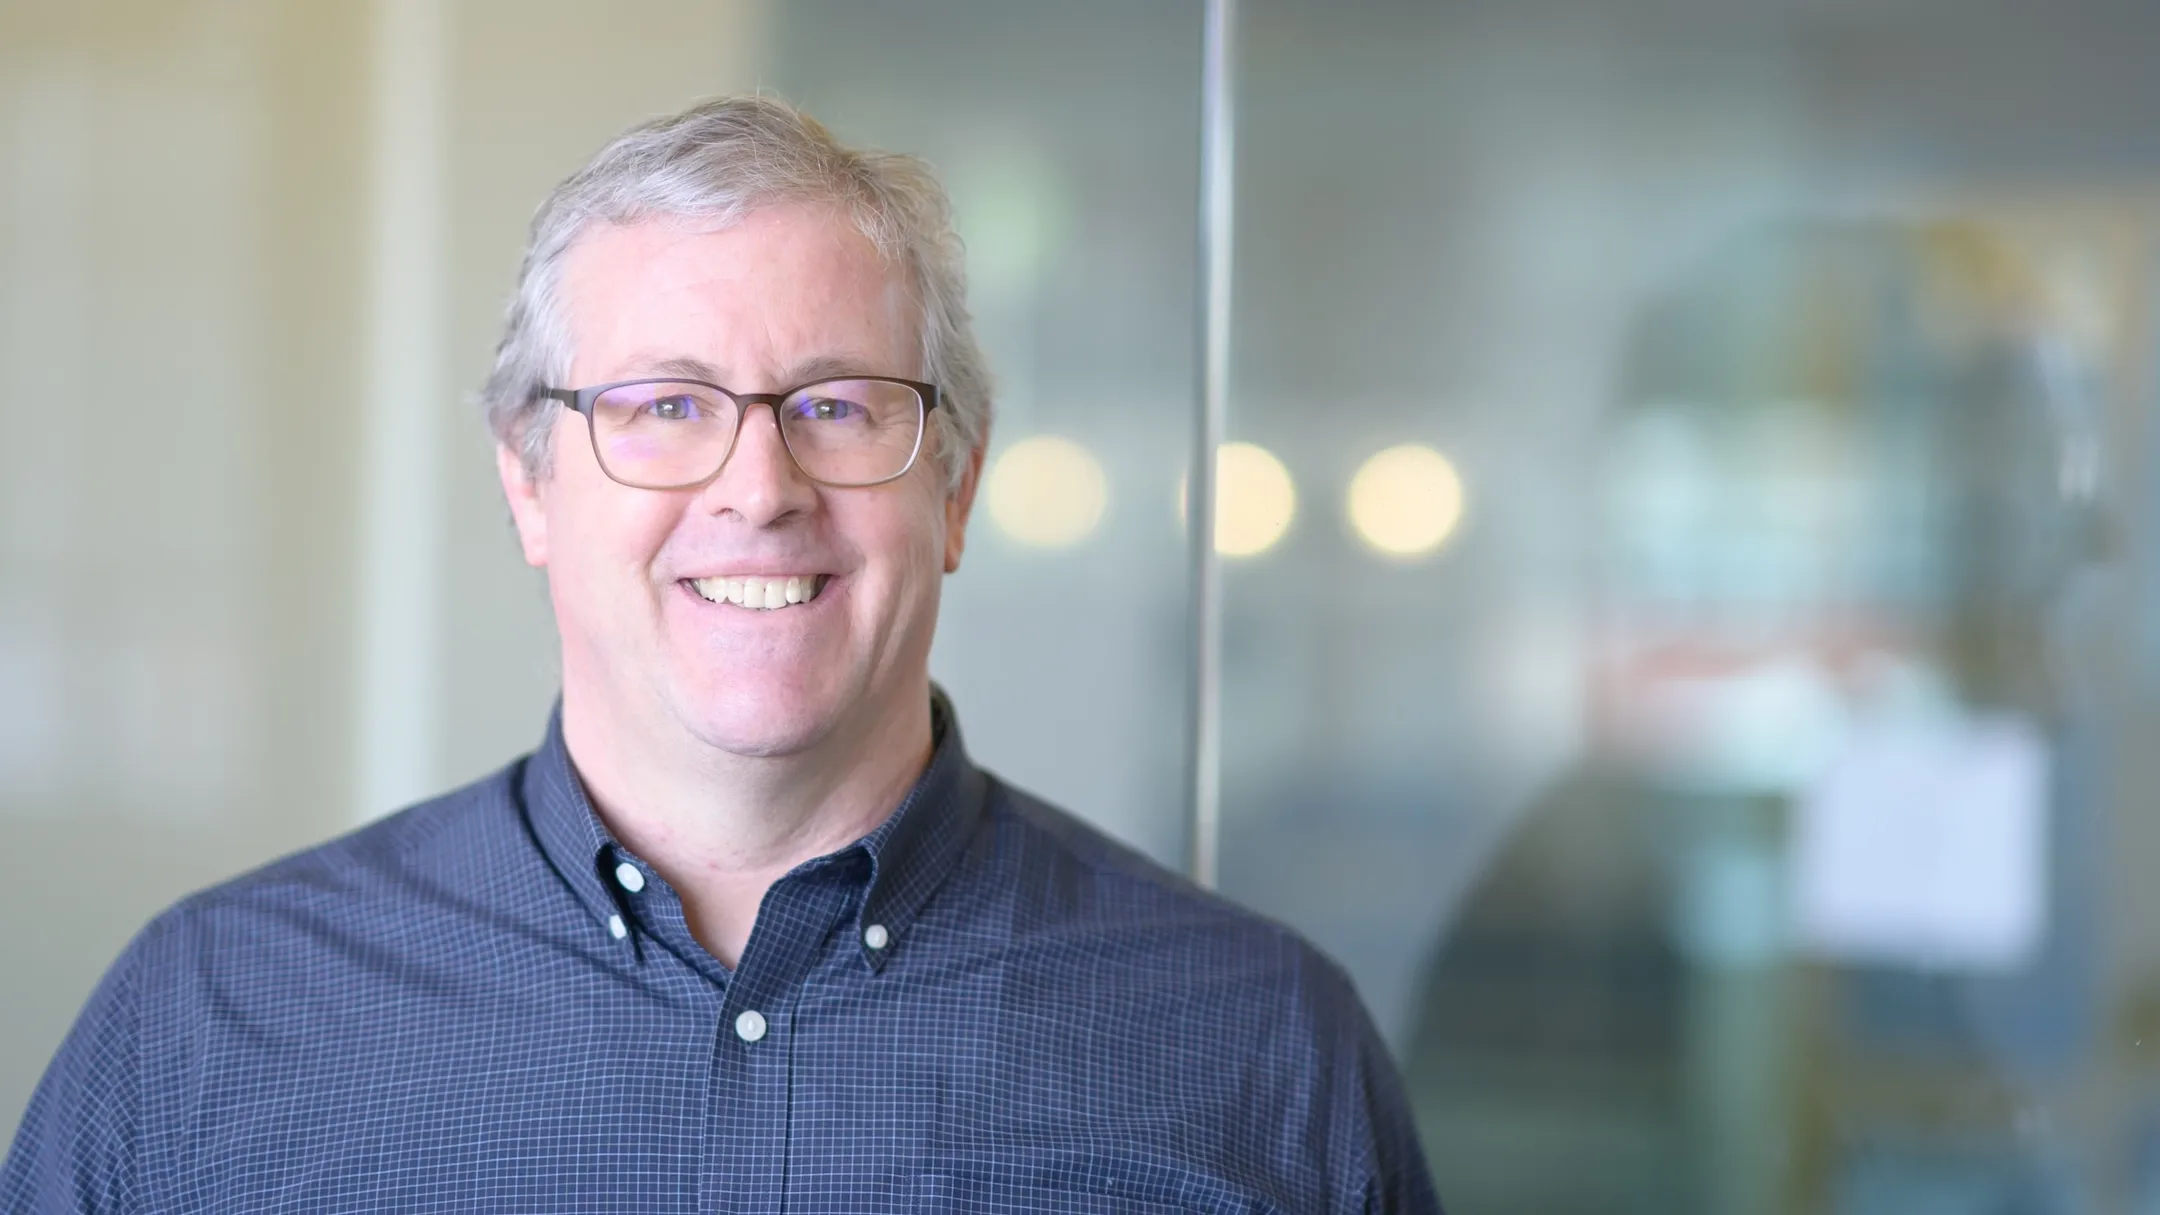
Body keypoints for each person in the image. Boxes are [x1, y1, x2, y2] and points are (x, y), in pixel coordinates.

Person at [2, 95, 1439, 1213]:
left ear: (957, 486)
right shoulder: (208, 1022)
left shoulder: (1259, 1047)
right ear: (527, 481)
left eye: (836, 404)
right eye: (668, 407)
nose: (758, 487)